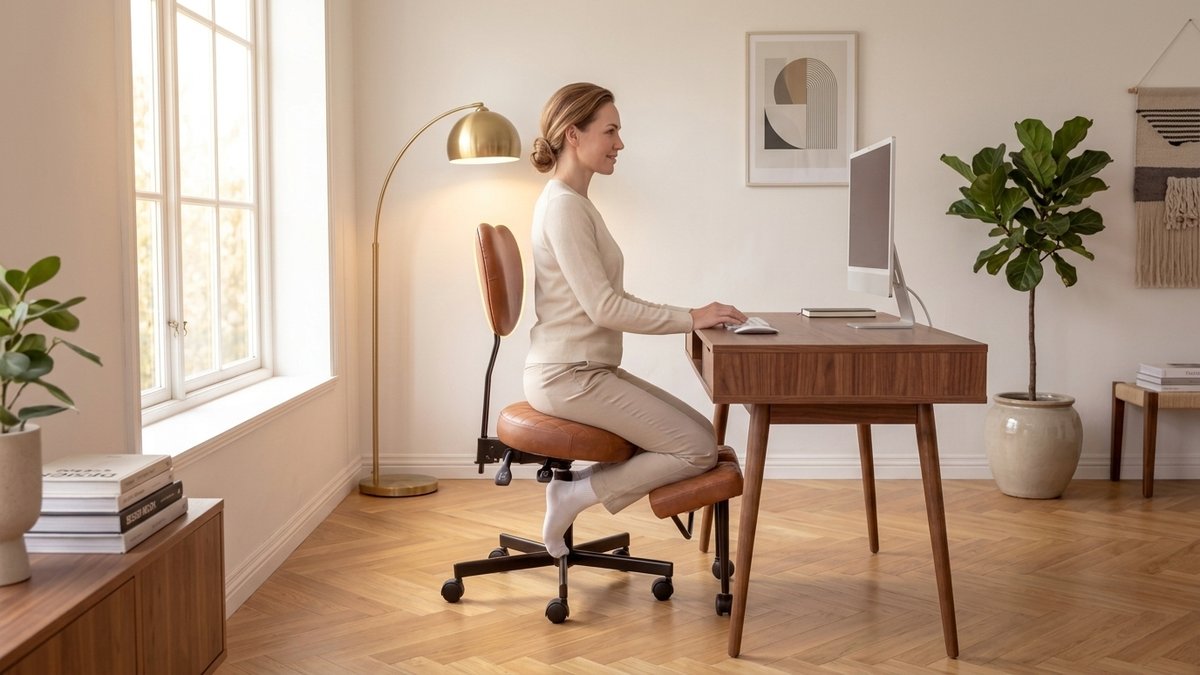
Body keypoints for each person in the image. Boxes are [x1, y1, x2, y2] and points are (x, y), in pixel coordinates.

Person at [525, 82, 747, 558]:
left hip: (586, 370)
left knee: (703, 439)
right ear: (573, 134)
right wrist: (691, 317)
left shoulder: (577, 204)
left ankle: (579, 488)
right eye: (611, 131)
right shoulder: (563, 207)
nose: (620, 143)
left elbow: (611, 299)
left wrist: (692, 315)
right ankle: (573, 494)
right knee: (695, 450)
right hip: (568, 376)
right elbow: (606, 308)